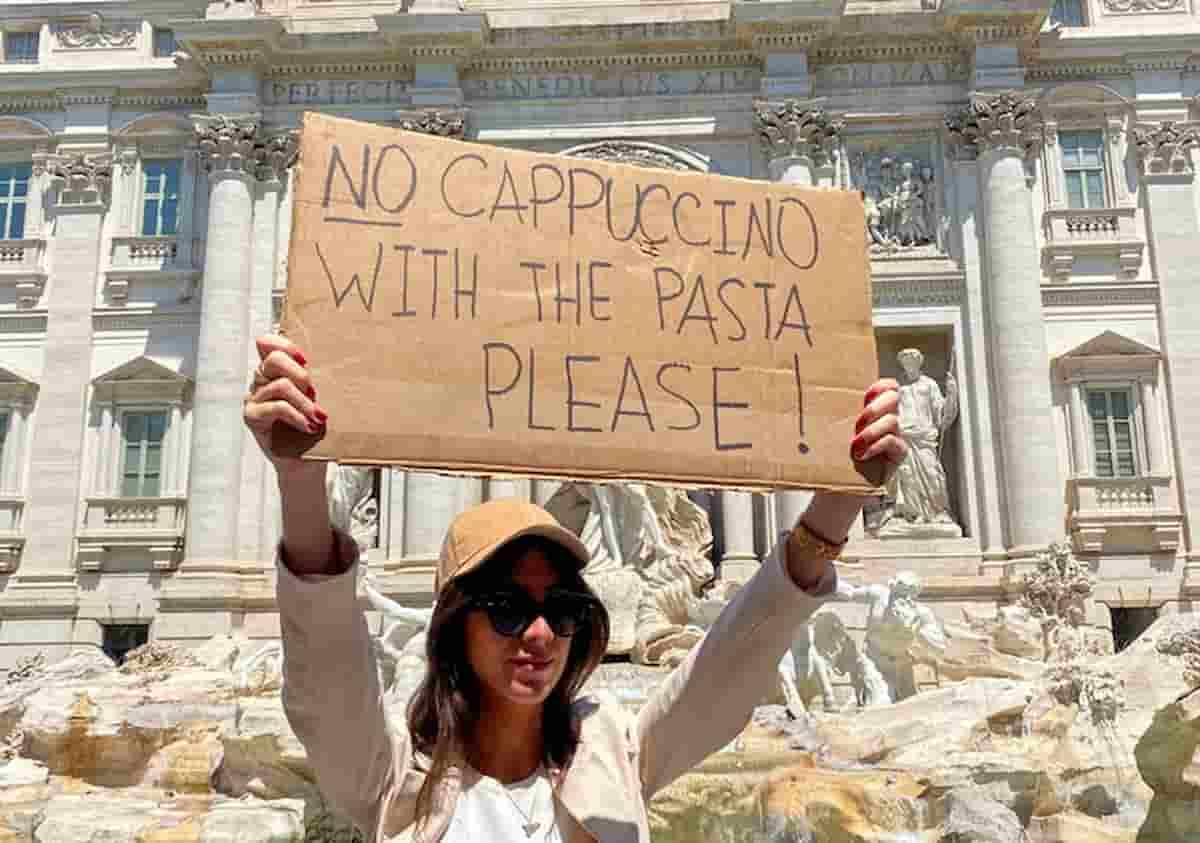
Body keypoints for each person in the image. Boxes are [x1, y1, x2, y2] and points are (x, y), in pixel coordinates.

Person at [243, 333, 906, 843]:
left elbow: (733, 664)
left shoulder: (616, 751)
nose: (538, 632)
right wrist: (298, 480)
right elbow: (326, 674)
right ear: (453, 625)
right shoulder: (393, 775)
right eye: (505, 608)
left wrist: (837, 504)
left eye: (560, 608)